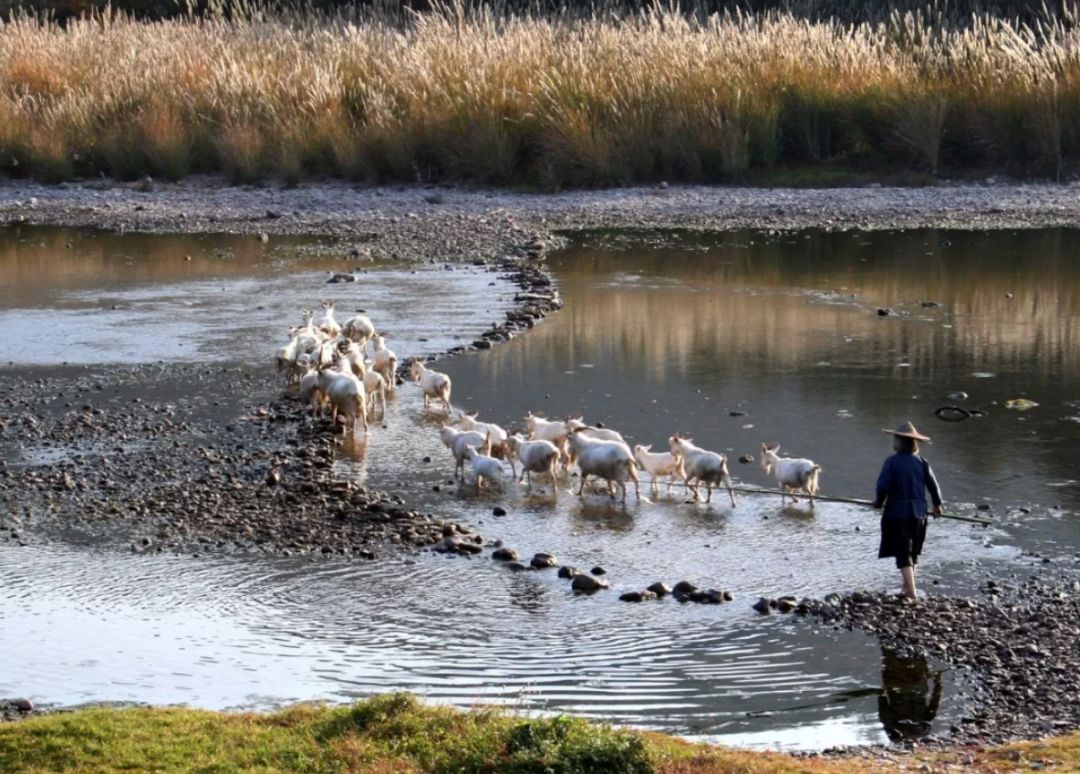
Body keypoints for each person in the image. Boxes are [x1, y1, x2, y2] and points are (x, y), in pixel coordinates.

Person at [873, 422, 942, 599]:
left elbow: (883, 486)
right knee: (913, 550)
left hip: (898, 514)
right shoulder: (922, 462)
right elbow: (933, 486)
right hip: (919, 514)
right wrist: (937, 505)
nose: (893, 442)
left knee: (902, 552)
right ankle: (906, 586)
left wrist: (879, 503)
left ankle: (911, 592)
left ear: (901, 441)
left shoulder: (892, 462)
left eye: (895, 438)